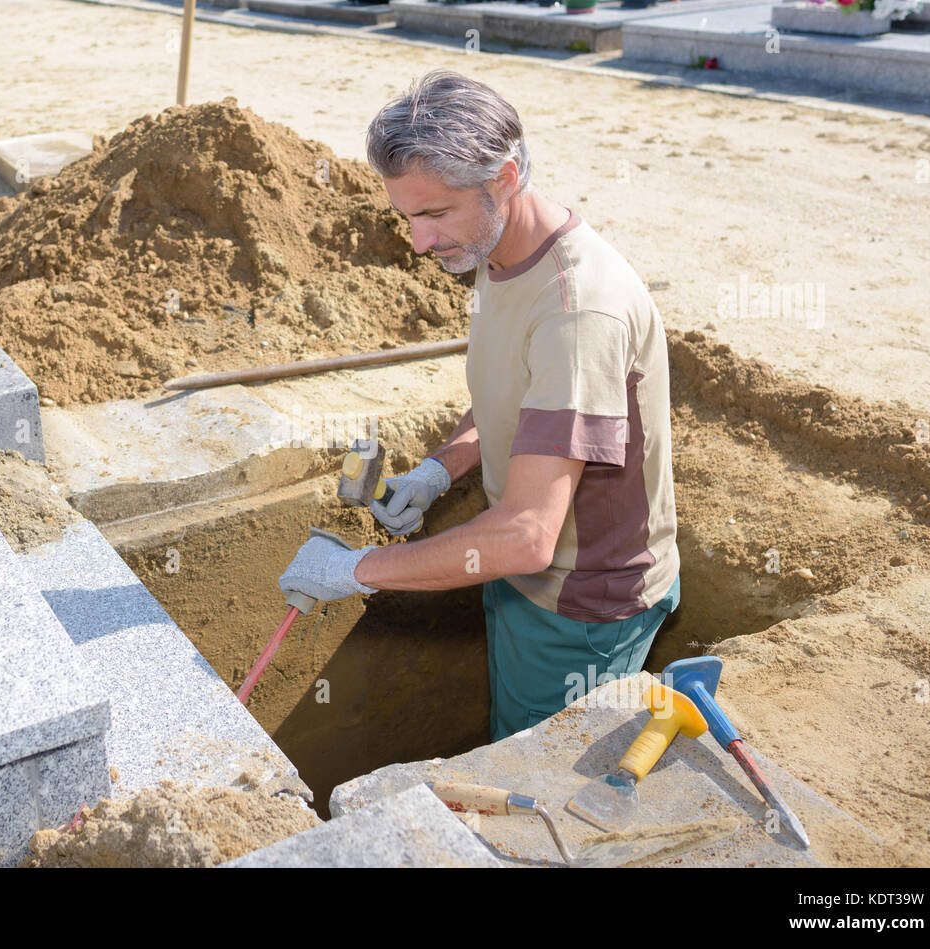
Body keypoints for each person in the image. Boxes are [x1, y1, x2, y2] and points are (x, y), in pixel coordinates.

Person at [278, 69, 681, 741]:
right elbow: (524, 400)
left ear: (505, 178)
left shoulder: (577, 314)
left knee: (530, 782)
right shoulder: (499, 251)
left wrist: (354, 570)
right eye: (408, 216)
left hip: (579, 608)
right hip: (520, 579)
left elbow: (525, 536)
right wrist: (440, 469)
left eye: (435, 214)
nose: (418, 242)